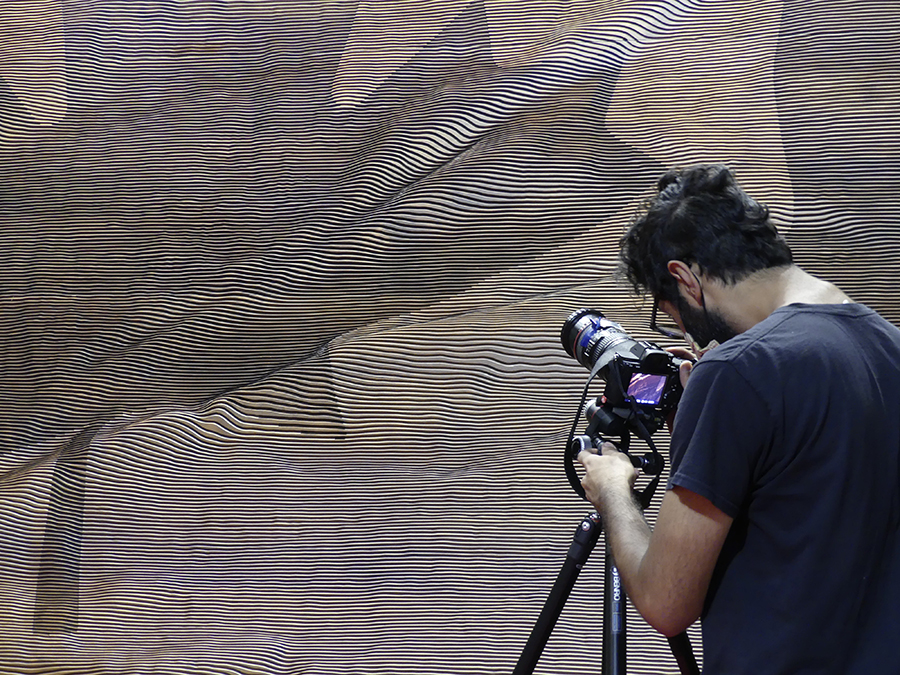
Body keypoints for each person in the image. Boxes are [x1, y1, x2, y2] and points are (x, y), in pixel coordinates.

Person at [577, 164, 900, 674]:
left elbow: (667, 602)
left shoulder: (738, 371)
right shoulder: (887, 343)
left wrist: (614, 489)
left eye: (672, 313)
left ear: (684, 278)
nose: (684, 333)